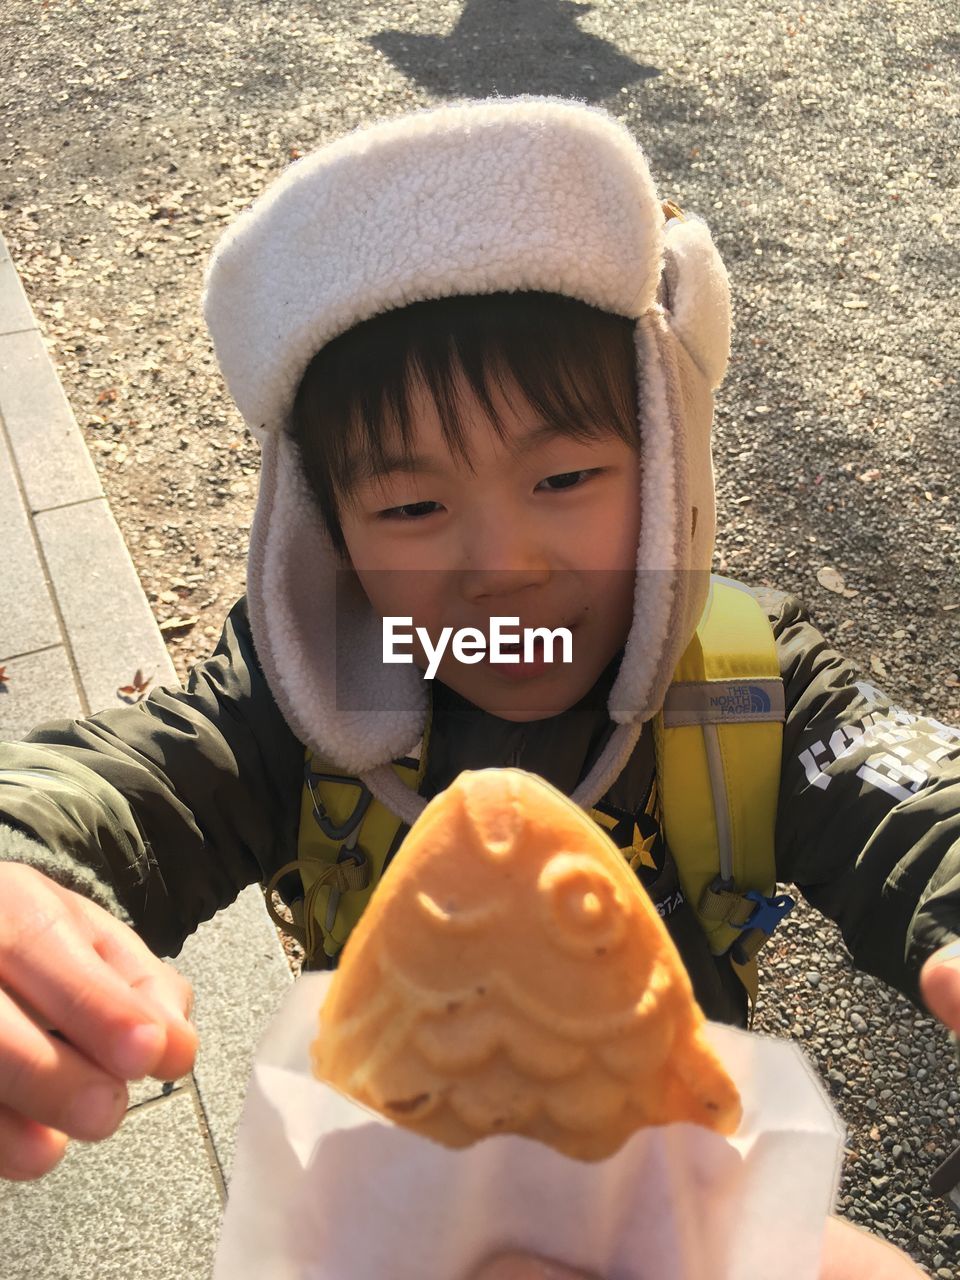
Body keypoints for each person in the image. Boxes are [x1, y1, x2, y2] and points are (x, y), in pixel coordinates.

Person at [0, 98, 955, 1278]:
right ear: (330, 535)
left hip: (671, 1213)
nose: (502, 564)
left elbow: (899, 780)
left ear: (668, 466)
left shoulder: (746, 680)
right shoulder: (302, 696)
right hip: (388, 1221)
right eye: (411, 506)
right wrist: (24, 855)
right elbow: (144, 772)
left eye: (563, 475)